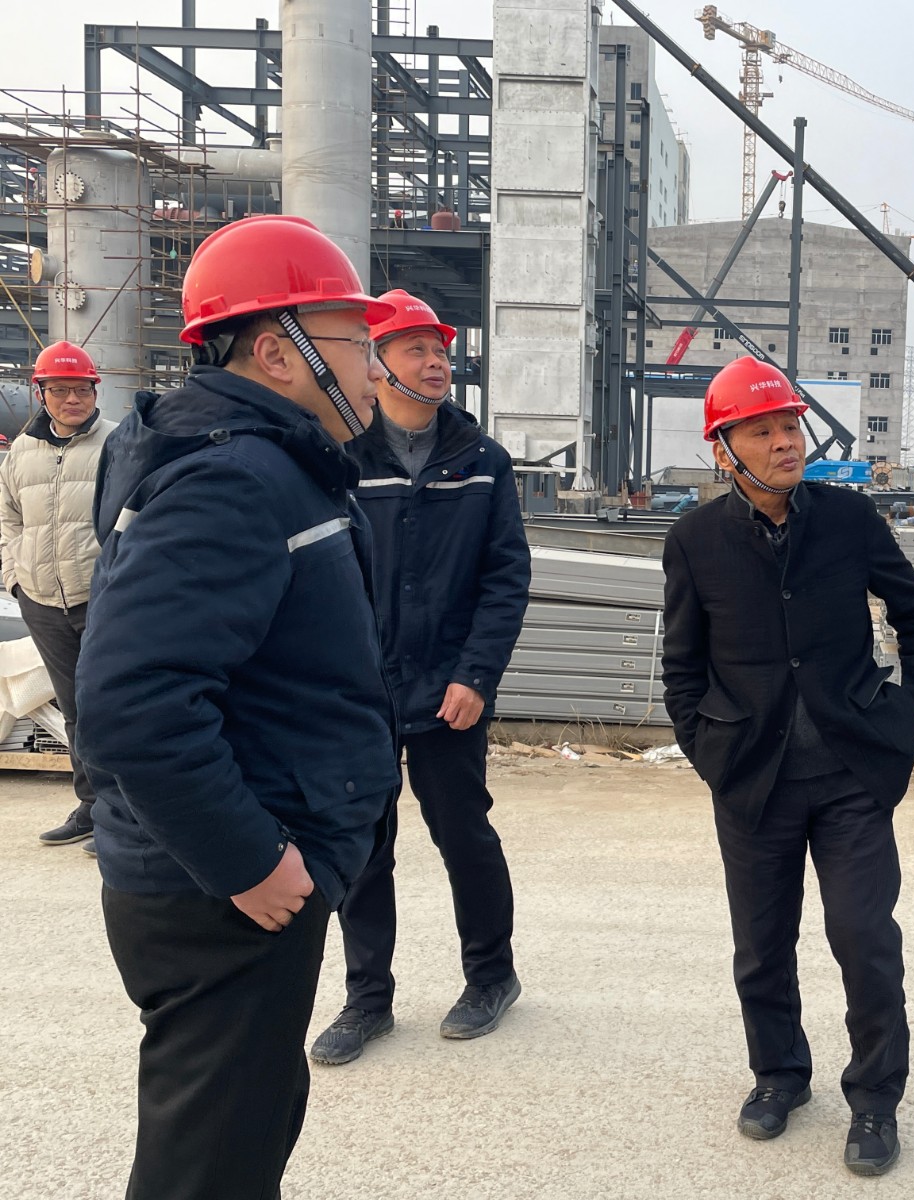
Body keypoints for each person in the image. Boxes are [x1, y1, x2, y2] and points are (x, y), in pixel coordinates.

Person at [73, 214, 401, 1200]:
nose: (376, 369)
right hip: (219, 893)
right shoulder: (232, 479)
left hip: (231, 874)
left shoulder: (265, 462)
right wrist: (250, 861)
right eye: (358, 342)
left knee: (237, 1139)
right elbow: (133, 701)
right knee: (209, 1167)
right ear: (277, 352)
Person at [661, 357, 914, 1177]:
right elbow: (682, 666)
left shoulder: (849, 518)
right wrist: (708, 750)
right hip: (753, 778)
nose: (786, 442)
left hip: (852, 771)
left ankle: (875, 1100)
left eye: (790, 425)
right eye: (763, 431)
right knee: (761, 944)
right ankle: (778, 1075)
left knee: (864, 937)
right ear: (725, 449)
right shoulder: (695, 540)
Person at [310, 289, 530, 1066]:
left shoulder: (481, 462)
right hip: (360, 692)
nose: (436, 362)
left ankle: (491, 977)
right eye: (416, 349)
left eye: (440, 350)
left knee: (464, 835)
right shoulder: (341, 459)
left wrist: (476, 676)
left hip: (449, 690)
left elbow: (505, 579)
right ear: (375, 364)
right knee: (365, 844)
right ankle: (367, 999)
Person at [0, 340, 116, 851]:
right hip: (42, 601)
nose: (73, 399)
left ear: (95, 391)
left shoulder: (119, 444)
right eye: (61, 390)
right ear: (40, 393)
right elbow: (8, 518)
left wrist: (123, 582)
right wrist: (15, 579)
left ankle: (125, 815)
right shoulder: (22, 452)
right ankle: (92, 807)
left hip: (103, 600)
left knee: (114, 705)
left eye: (82, 389)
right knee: (74, 710)